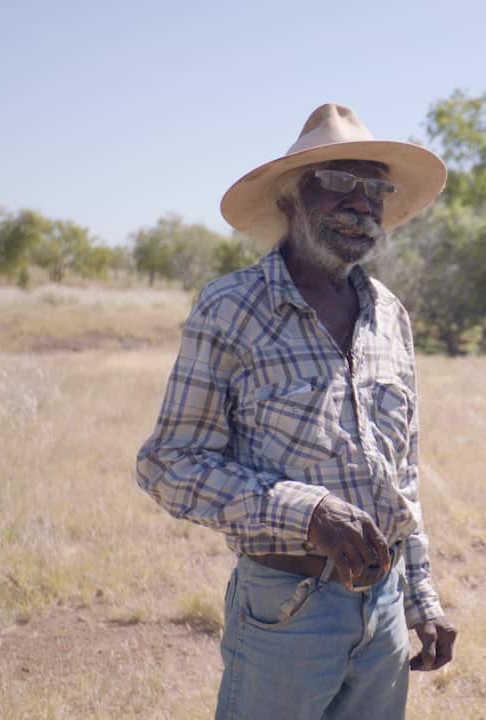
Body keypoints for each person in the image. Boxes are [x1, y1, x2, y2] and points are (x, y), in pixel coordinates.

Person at [136, 103, 456, 720]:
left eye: (376, 189)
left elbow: (402, 476)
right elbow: (168, 464)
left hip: (384, 606)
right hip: (286, 606)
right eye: (338, 182)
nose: (361, 203)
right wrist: (306, 512)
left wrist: (421, 597)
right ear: (290, 198)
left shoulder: (389, 315)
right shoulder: (234, 307)